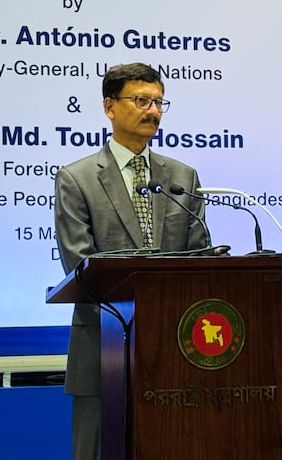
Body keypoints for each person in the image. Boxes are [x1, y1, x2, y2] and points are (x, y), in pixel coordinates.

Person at [54, 62, 208, 460]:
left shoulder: (182, 177)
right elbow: (80, 263)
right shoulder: (77, 178)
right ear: (110, 107)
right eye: (141, 100)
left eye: (158, 102)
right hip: (103, 348)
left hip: (177, 349)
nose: (152, 111)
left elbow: (199, 258)